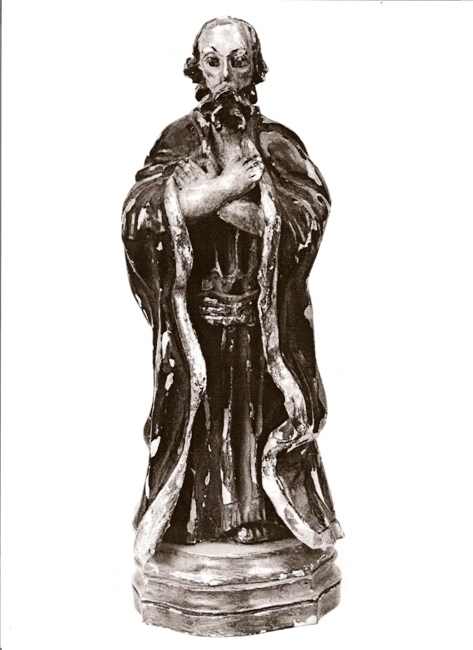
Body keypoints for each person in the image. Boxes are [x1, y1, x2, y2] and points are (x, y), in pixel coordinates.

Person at [122, 17, 343, 562]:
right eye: (213, 61)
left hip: (261, 321)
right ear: (197, 69)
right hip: (197, 320)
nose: (225, 74)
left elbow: (307, 214)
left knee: (254, 416)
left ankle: (256, 516)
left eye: (238, 61)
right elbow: (140, 216)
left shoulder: (276, 142)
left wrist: (225, 202)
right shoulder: (177, 140)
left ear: (255, 69)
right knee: (200, 414)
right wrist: (223, 188)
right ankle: (193, 518)